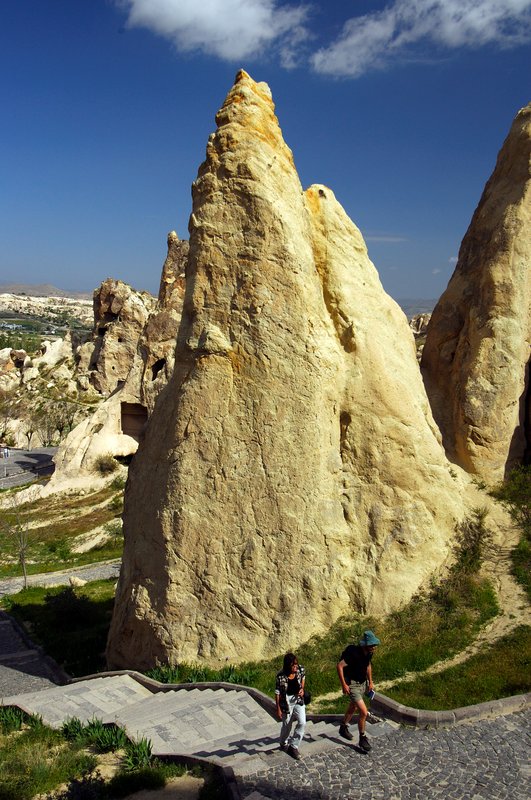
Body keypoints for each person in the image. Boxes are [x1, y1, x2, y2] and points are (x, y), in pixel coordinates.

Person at [337, 629, 380, 753]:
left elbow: (368, 665)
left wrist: (370, 681)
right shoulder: (354, 654)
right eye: (372, 645)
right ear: (366, 645)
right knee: (363, 712)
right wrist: (344, 685)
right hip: (353, 685)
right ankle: (362, 738)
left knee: (353, 707)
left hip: (362, 683)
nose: (374, 647)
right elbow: (339, 666)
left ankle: (343, 727)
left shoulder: (369, 653)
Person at [275, 652, 306, 760]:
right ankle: (283, 743)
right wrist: (278, 708)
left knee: (302, 722)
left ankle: (294, 746)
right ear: (288, 665)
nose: (295, 667)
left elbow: (303, 679)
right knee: (287, 725)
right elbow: (278, 693)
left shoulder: (300, 670)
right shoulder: (281, 676)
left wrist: (302, 689)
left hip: (298, 700)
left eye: (296, 664)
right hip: (286, 701)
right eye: (293, 665)